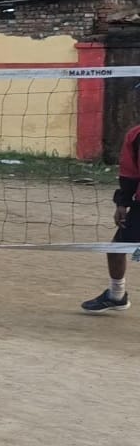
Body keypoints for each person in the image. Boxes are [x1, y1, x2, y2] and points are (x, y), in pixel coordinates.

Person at [79, 111, 140, 314]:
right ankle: (116, 295)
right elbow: (129, 173)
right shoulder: (135, 135)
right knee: (116, 249)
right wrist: (122, 204)